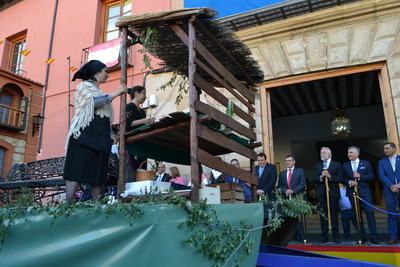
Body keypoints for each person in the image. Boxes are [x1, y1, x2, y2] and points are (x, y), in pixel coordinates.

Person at [63, 60, 126, 204]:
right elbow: (93, 102)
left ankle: (98, 207)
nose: (108, 75)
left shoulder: (101, 93)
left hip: (101, 138)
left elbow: (107, 118)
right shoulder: (83, 87)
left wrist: (112, 136)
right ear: (97, 74)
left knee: (98, 174)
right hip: (83, 134)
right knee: (75, 170)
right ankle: (66, 207)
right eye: (106, 72)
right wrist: (116, 93)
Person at [342, 146, 378, 244]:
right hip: (352, 193)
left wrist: (360, 176)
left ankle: (374, 237)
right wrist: (350, 182)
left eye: (351, 152)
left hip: (365, 193)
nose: (349, 154)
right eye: (348, 152)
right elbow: (343, 178)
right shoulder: (345, 165)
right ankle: (362, 237)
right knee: (356, 216)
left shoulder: (366, 163)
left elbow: (371, 176)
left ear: (357, 154)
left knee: (370, 213)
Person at [313, 147, 343, 243]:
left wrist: (329, 176)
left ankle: (336, 236)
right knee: (323, 215)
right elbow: (314, 179)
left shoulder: (337, 164)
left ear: (329, 154)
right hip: (322, 194)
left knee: (334, 214)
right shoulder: (318, 165)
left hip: (333, 193)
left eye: (324, 152)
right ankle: (324, 236)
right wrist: (321, 176)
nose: (321, 153)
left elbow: (340, 178)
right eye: (321, 152)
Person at [125, 86, 154, 182]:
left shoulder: (142, 111)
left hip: (142, 142)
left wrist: (149, 123)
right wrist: (144, 121)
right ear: (136, 93)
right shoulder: (128, 107)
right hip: (131, 142)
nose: (145, 96)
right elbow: (129, 123)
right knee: (131, 170)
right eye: (143, 93)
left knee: (142, 169)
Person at [278, 154, 306, 242]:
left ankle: (300, 238)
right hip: (286, 200)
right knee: (288, 219)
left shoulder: (300, 171)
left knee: (297, 219)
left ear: (294, 162)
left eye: (290, 160)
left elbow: (302, 184)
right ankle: (290, 238)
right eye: (286, 161)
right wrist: (285, 190)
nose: (288, 162)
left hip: (297, 198)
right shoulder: (282, 173)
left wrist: (292, 191)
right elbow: (279, 186)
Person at [378, 142, 400, 244]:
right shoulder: (381, 162)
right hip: (389, 191)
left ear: (394, 149)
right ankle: (393, 237)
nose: (385, 150)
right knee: (392, 214)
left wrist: (399, 185)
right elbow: (382, 176)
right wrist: (391, 186)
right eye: (384, 149)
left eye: (387, 148)